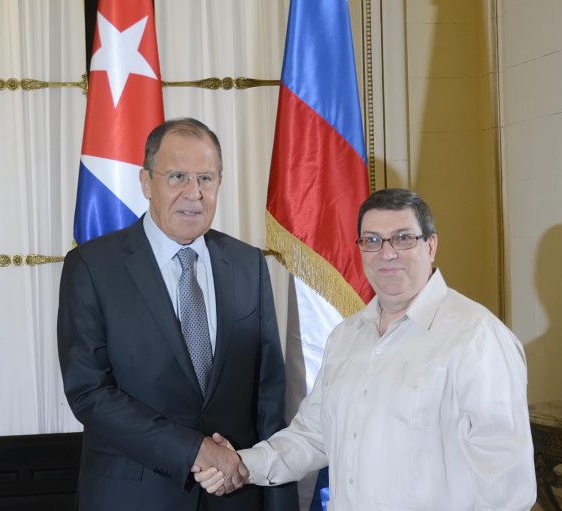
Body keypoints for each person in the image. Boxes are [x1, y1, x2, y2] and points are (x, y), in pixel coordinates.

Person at [195, 188, 536, 510]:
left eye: (403, 238)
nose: (387, 253)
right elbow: (313, 437)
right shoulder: (345, 337)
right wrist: (240, 463)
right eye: (372, 240)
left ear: (431, 246)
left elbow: (505, 486)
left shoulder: (478, 338)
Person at [57, 118, 297, 511]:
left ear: (220, 183)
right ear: (147, 182)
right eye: (177, 176)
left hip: (235, 498)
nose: (194, 193)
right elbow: (90, 392)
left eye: (206, 178)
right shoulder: (92, 267)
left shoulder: (248, 265)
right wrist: (192, 450)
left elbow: (268, 395)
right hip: (132, 497)